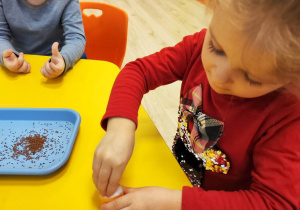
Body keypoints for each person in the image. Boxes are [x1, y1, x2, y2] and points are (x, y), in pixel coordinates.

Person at [92, 0, 300, 209]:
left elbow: (274, 203)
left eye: (251, 77)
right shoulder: (197, 46)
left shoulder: (287, 116)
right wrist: (119, 129)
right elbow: (138, 72)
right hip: (176, 175)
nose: (217, 77)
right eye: (216, 48)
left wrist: (171, 202)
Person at [0, 0, 86, 79]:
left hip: (57, 59)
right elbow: (1, 36)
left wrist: (64, 59)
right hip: (17, 60)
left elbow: (76, 38)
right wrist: (7, 56)